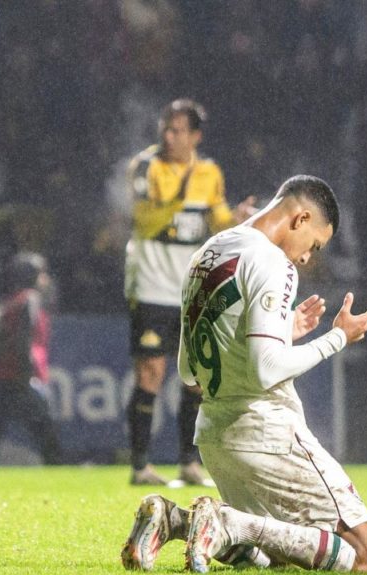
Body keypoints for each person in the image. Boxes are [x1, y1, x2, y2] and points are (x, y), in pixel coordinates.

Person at [121, 175, 367, 574]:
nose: (306, 258)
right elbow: (267, 370)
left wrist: (283, 331)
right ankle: (228, 522)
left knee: (277, 556)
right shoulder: (271, 261)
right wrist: (338, 338)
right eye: (314, 245)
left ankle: (175, 520)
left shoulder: (209, 252)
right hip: (266, 433)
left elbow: (187, 372)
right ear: (301, 217)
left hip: (214, 436)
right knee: (366, 558)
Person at [123, 98, 255, 486]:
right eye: (166, 128)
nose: (169, 136)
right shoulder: (147, 166)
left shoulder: (210, 172)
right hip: (150, 282)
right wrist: (182, 194)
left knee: (195, 376)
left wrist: (236, 220)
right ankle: (140, 464)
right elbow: (144, 221)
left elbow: (216, 221)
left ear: (195, 136)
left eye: (178, 130)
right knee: (151, 372)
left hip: (191, 287)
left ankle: (188, 463)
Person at [0, 252, 61, 465]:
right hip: (22, 376)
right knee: (46, 432)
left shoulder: (7, 302)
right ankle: (56, 469)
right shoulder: (30, 299)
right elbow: (25, 336)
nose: (45, 279)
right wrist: (26, 371)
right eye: (40, 274)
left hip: (0, 376)